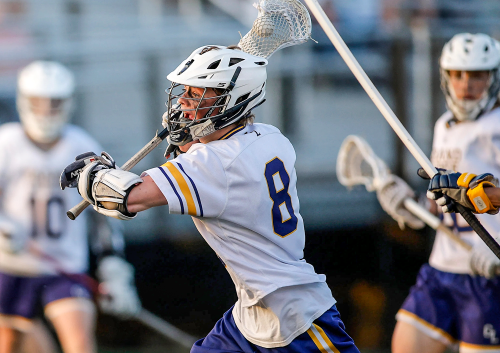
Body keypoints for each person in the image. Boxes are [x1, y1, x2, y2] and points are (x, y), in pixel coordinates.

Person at [61, 45, 359, 352]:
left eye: (198, 93)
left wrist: (92, 174)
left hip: (295, 316)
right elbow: (212, 164)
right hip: (252, 313)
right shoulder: (270, 136)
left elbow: (128, 197)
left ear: (234, 100)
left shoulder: (214, 164)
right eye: (186, 91)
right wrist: (188, 140)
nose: (184, 102)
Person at [0, 60, 140, 353]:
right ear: (23, 101)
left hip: (65, 267)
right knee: (7, 346)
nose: (45, 111)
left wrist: (115, 272)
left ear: (67, 103)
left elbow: (104, 217)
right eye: (38, 102)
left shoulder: (81, 147)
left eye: (54, 103)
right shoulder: (6, 143)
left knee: (80, 343)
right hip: (15, 265)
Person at [374, 33, 500, 353]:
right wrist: (412, 207)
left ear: (493, 76)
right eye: (457, 74)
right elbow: (444, 199)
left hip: (488, 272)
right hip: (442, 269)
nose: (466, 83)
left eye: (477, 74)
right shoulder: (444, 125)